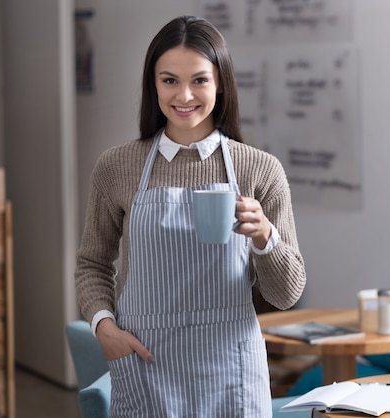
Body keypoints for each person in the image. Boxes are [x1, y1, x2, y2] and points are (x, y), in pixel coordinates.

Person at [75, 15, 306, 417]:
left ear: (221, 83)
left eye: (199, 80)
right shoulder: (116, 166)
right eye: (169, 80)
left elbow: (286, 295)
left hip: (230, 374)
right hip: (146, 366)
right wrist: (104, 328)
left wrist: (265, 238)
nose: (184, 95)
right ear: (153, 84)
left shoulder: (259, 169)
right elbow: (92, 263)